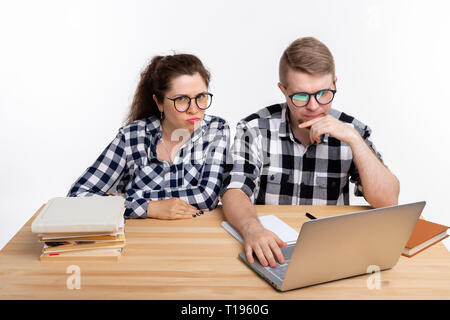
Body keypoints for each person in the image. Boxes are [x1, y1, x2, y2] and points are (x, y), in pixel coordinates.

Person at [220, 37, 400, 268]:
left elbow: (388, 201)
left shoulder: (353, 131)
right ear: (283, 91)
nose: (314, 106)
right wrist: (252, 230)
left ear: (335, 84)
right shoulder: (254, 129)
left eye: (324, 93)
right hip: (273, 250)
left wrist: (354, 139)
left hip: (331, 250)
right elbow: (235, 190)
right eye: (301, 96)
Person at [68, 54, 230, 219]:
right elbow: (78, 195)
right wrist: (150, 208)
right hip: (140, 237)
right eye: (181, 99)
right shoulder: (132, 136)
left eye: (201, 97)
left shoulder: (216, 130)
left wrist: (126, 199)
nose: (194, 109)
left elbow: (206, 196)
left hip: (194, 237)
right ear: (159, 102)